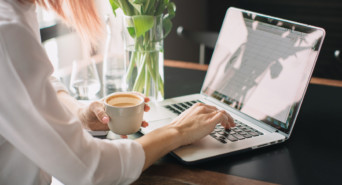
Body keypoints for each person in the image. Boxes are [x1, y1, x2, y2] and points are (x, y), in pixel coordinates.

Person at [0, 0, 235, 184]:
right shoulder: (7, 30)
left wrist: (78, 112)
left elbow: (35, 81)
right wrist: (178, 130)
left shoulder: (16, 9)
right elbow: (90, 169)